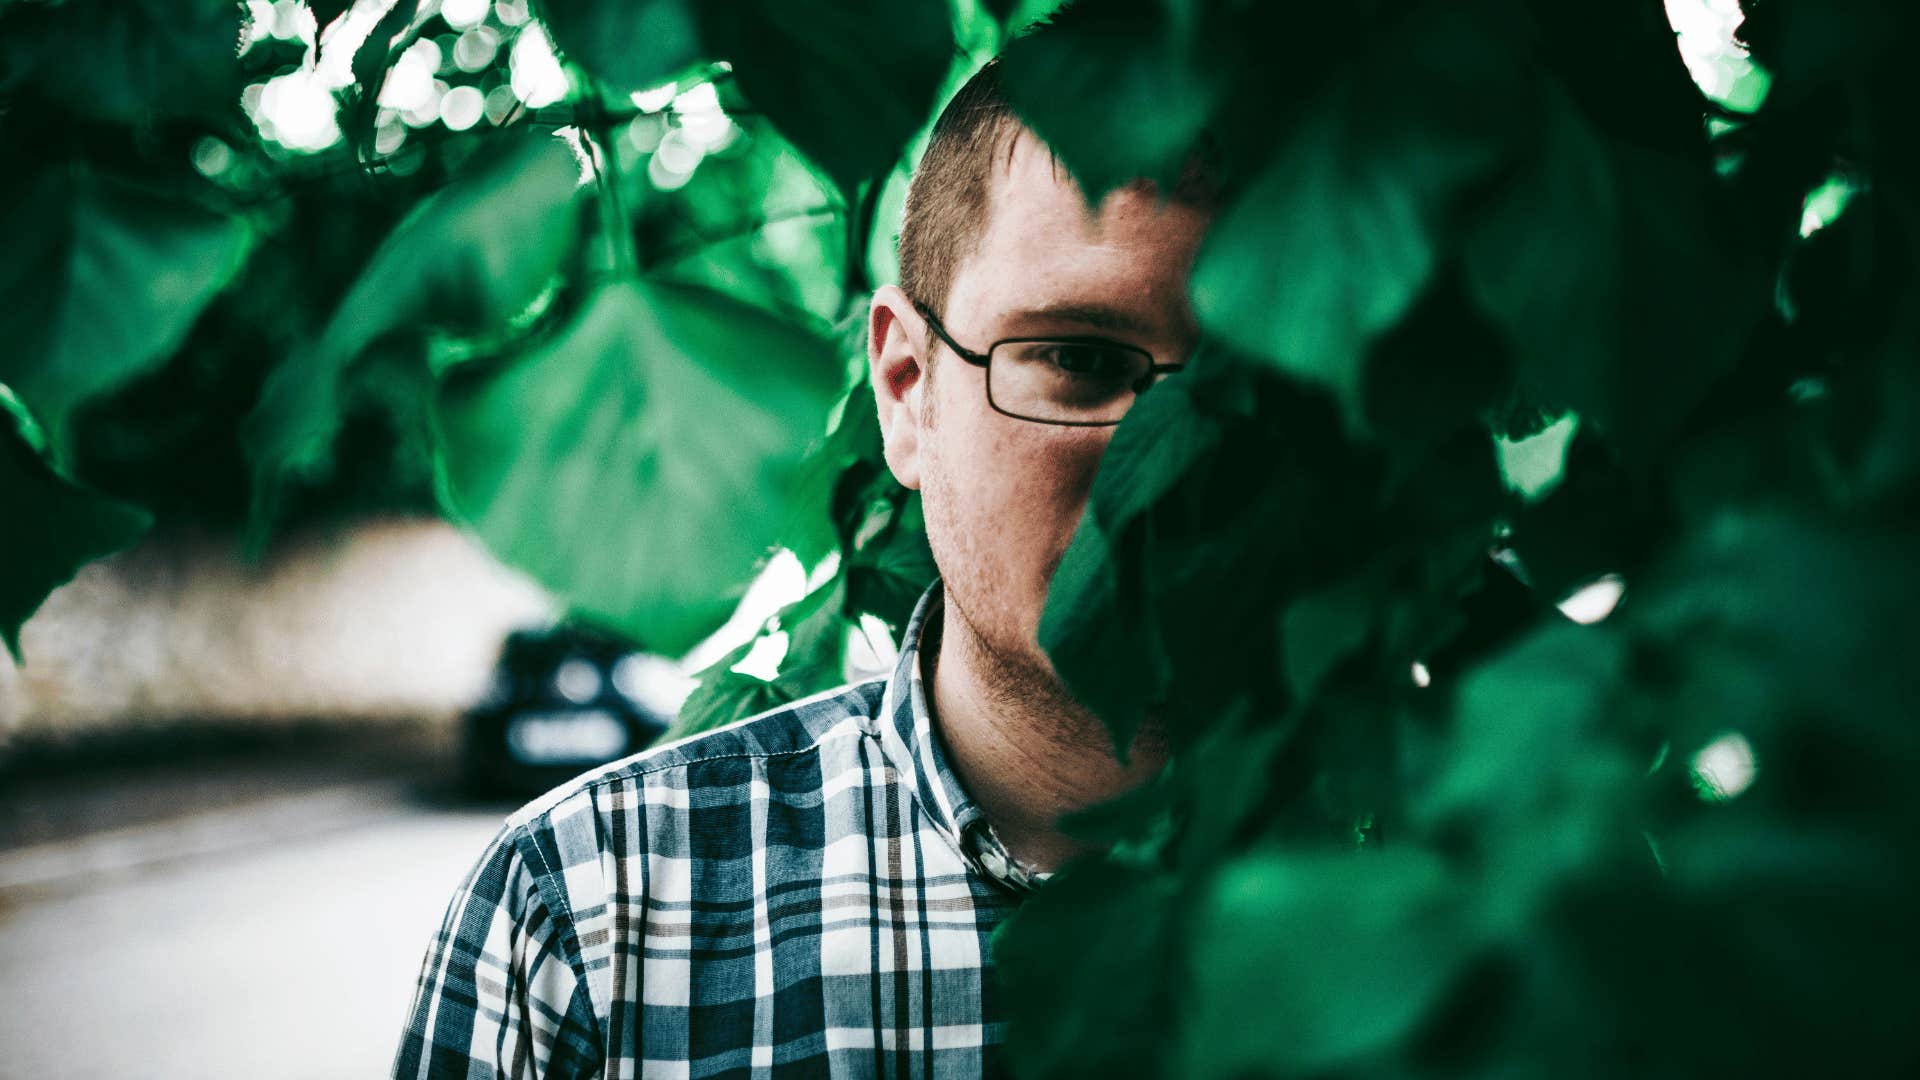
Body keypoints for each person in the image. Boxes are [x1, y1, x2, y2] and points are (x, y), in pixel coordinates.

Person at [392, 49, 1213, 1080]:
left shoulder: (1465, 865)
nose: (1168, 465)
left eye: (1251, 379)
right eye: (1080, 360)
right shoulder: (590, 918)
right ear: (908, 389)